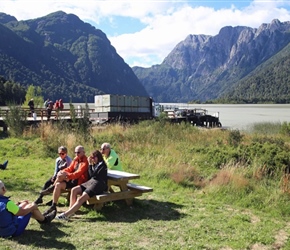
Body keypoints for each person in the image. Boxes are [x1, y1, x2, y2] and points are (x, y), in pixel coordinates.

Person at [56, 150, 108, 220]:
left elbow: (94, 175)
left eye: (94, 157)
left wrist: (90, 164)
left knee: (81, 198)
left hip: (98, 185)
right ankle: (70, 211)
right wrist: (91, 165)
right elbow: (90, 176)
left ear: (98, 157)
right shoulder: (95, 164)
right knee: (74, 190)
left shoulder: (103, 166)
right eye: (91, 158)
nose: (92, 159)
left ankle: (66, 215)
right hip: (92, 182)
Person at [43, 145, 89, 215]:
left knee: (61, 176)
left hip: (79, 182)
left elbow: (78, 173)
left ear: (84, 152)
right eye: (75, 152)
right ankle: (53, 205)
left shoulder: (85, 162)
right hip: (72, 179)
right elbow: (70, 168)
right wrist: (62, 171)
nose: (76, 154)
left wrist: (67, 175)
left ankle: (51, 188)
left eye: (78, 152)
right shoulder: (76, 159)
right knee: (58, 184)